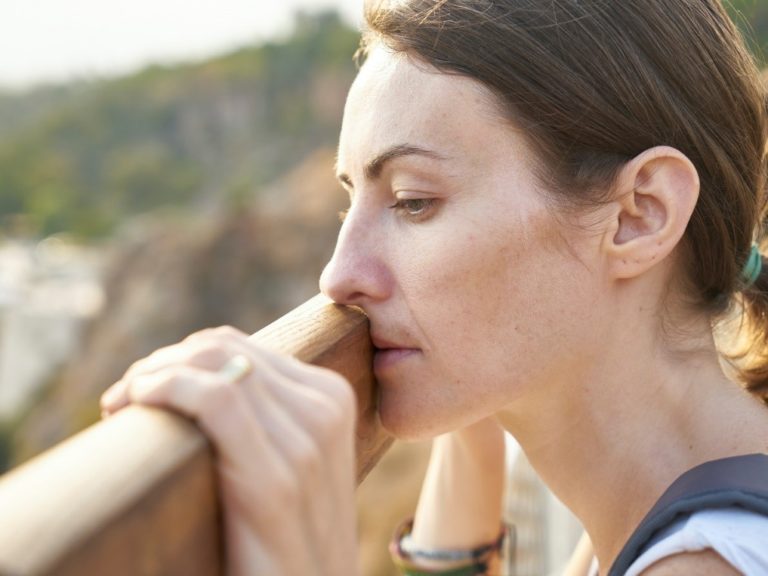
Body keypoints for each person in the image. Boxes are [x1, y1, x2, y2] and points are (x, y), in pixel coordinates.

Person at [100, 0, 768, 574]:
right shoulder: (671, 506)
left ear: (637, 215)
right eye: (349, 204)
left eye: (414, 201)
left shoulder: (705, 562)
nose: (337, 276)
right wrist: (468, 433)